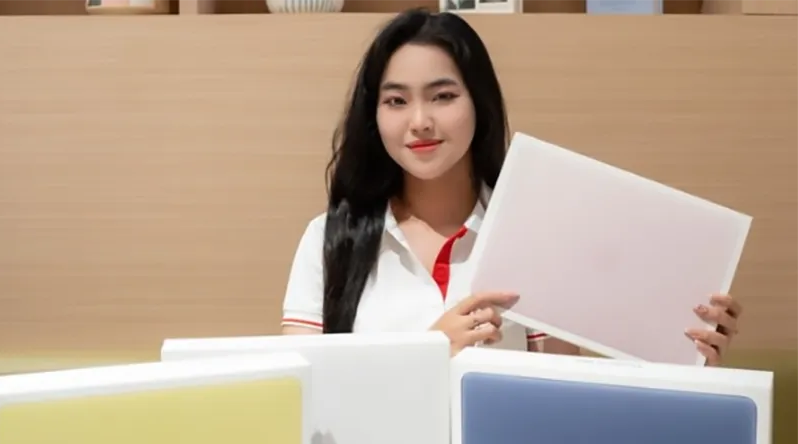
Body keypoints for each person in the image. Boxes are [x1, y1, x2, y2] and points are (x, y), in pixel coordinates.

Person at [281, 8, 742, 365]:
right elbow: (307, 398)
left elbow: (561, 404)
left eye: (443, 96)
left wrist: (689, 352)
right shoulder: (328, 241)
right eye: (396, 101)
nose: (419, 121)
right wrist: (431, 354)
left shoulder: (531, 237)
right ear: (374, 115)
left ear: (478, 103)